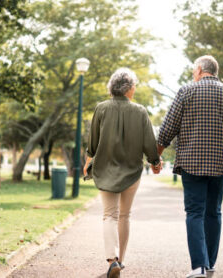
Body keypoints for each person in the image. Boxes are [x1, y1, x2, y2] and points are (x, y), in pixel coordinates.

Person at [155, 55, 223, 278]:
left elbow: (167, 128)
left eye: (192, 71)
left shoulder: (186, 92)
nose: (192, 75)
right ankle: (209, 267)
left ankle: (198, 266)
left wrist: (155, 157)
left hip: (192, 163)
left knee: (195, 212)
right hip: (220, 165)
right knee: (213, 212)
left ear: (199, 69)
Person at [84, 68, 161, 278]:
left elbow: (93, 142)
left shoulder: (101, 108)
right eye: (134, 86)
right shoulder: (140, 111)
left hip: (105, 168)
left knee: (109, 215)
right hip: (131, 171)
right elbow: (149, 142)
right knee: (124, 216)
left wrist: (88, 161)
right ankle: (121, 261)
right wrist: (155, 161)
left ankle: (112, 260)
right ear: (128, 88)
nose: (135, 89)